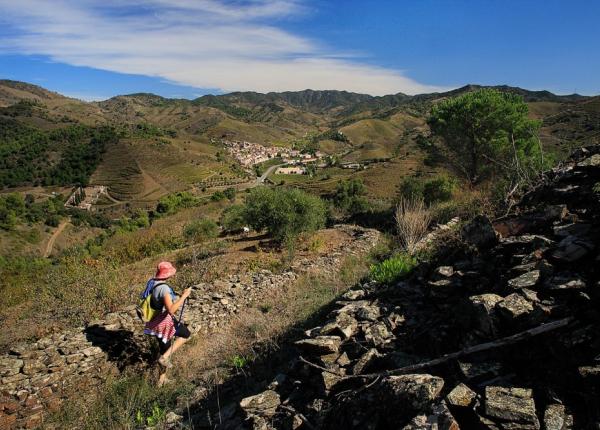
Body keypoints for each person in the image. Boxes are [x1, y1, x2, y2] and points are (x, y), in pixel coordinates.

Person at [143, 261, 192, 370]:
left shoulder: (152, 282)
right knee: (186, 334)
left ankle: (162, 379)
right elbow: (171, 310)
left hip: (153, 322)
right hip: (163, 323)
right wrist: (184, 296)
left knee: (164, 349)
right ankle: (164, 358)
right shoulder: (163, 288)